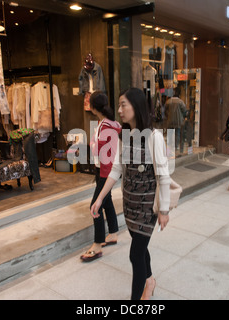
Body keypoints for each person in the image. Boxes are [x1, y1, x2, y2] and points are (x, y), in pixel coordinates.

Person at [90, 88, 171, 300]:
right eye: (119, 104)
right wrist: (99, 198)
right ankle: (150, 281)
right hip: (129, 205)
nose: (119, 109)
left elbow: (163, 176)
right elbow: (116, 170)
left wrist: (164, 210)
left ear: (136, 106)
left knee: (135, 254)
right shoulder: (124, 137)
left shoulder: (154, 138)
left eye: (123, 104)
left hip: (146, 208)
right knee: (140, 249)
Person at [80, 92, 122, 262]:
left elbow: (103, 154)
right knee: (107, 201)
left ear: (93, 106)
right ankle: (112, 234)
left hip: (106, 171)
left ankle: (97, 245)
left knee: (95, 206)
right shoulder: (108, 123)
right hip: (104, 170)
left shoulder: (105, 126)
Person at [165, 87, 187, 154]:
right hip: (178, 120)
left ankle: (169, 146)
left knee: (169, 133)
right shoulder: (180, 102)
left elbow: (165, 111)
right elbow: (184, 111)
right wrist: (184, 117)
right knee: (177, 133)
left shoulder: (168, 102)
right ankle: (176, 146)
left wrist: (168, 116)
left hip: (170, 120)